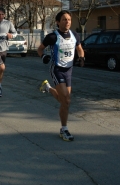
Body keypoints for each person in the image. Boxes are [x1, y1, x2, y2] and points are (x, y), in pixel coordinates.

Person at [37, 10, 85, 142]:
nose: (67, 22)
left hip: (69, 70)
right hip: (57, 69)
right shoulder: (53, 36)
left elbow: (80, 49)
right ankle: (64, 129)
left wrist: (82, 58)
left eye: (69, 19)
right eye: (64, 19)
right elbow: (40, 49)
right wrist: (43, 56)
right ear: (58, 22)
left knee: (65, 101)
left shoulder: (75, 35)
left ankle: (47, 88)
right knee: (67, 100)